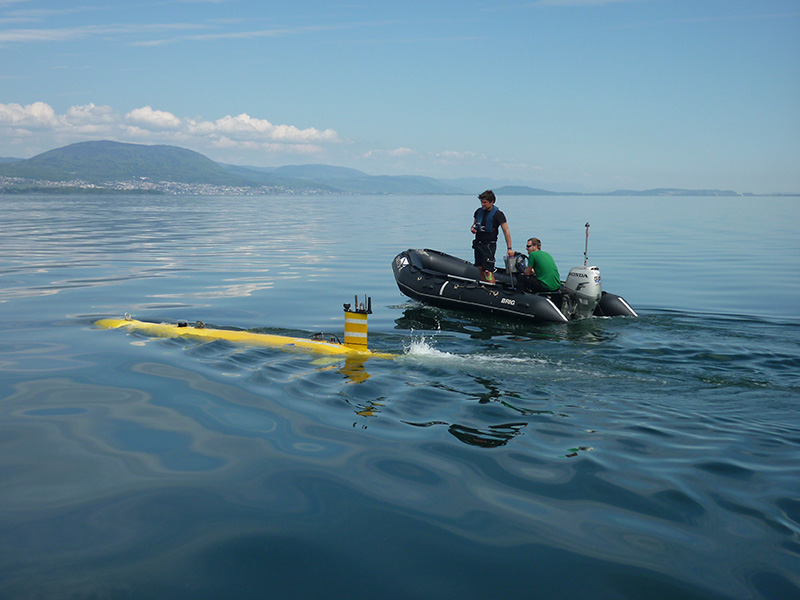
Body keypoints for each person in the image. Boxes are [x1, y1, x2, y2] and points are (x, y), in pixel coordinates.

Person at [471, 190, 513, 283]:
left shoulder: (498, 214)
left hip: (489, 245)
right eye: (482, 202)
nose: (482, 204)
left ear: (492, 202)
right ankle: (485, 286)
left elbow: (506, 231)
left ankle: (492, 288)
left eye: (485, 202)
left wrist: (509, 248)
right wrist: (473, 229)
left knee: (488, 270)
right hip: (478, 243)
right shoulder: (478, 212)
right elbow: (474, 225)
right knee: (480, 268)